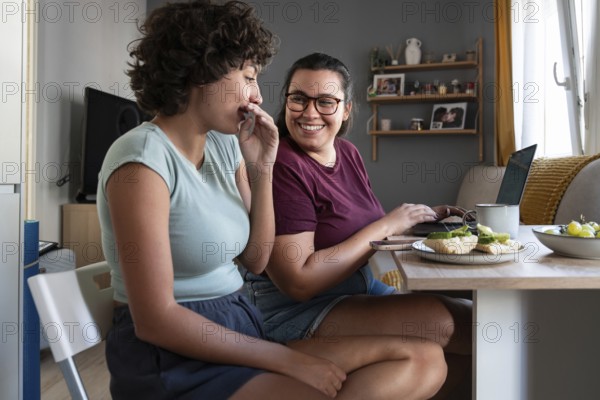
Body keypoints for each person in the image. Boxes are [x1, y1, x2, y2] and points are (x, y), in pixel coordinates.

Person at [97, 3, 446, 400]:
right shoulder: (141, 160)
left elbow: (256, 259)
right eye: (248, 77)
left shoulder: (225, 146)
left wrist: (262, 168)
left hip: (238, 326)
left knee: (424, 358)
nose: (258, 96)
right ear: (202, 71)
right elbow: (155, 321)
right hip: (174, 356)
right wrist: (287, 360)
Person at [243, 52, 473, 399]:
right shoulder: (284, 165)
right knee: (452, 322)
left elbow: (361, 232)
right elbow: (298, 282)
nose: (309, 112)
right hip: (294, 309)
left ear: (346, 109)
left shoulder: (347, 153)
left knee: (471, 328)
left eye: (325, 102)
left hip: (355, 291)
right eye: (299, 99)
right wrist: (388, 223)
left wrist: (419, 221)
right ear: (286, 101)